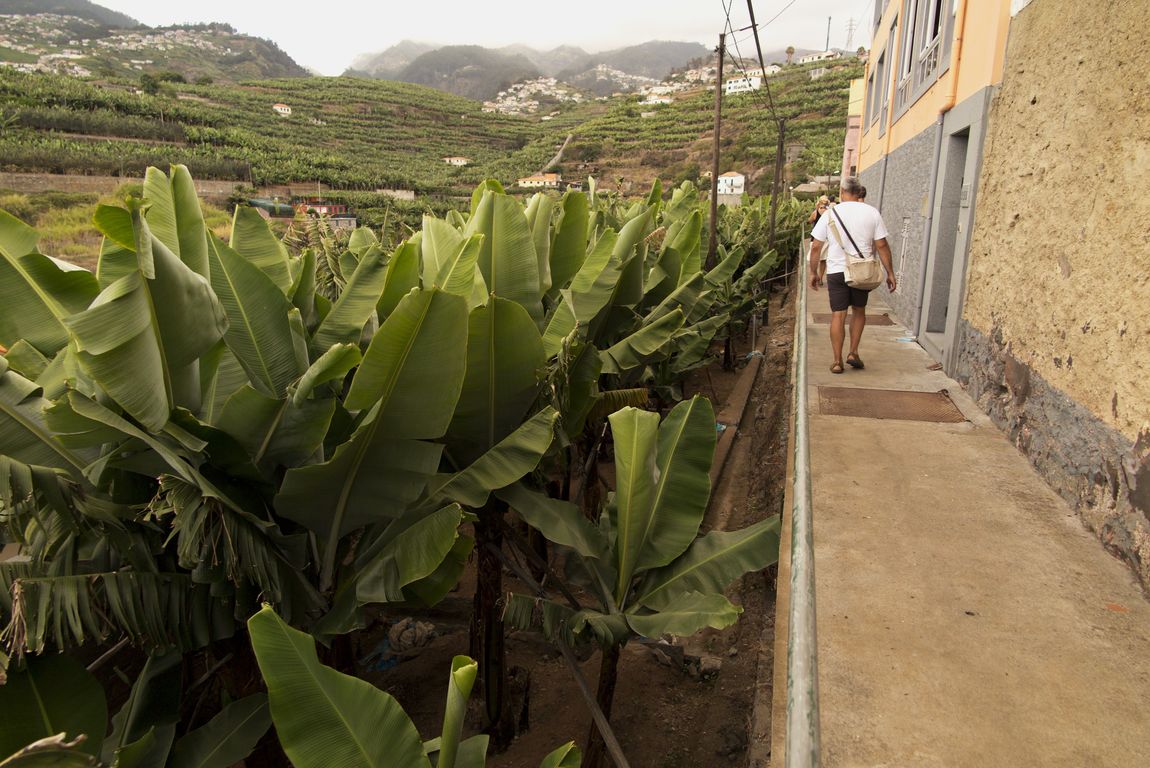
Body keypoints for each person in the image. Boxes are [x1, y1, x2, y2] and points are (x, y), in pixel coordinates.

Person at [808, 177, 896, 374]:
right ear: (860, 193)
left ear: (841, 191)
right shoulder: (872, 212)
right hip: (860, 271)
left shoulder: (831, 213)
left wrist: (813, 272)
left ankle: (837, 361)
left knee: (838, 314)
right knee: (858, 310)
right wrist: (890, 272)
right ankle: (853, 353)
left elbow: (816, 246)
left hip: (836, 271)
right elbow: (881, 245)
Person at [807, 196, 831, 285]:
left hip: (816, 238)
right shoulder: (829, 213)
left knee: (814, 257)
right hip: (826, 238)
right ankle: (820, 278)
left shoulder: (815, 213)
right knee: (823, 260)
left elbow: (809, 221)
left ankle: (814, 274)